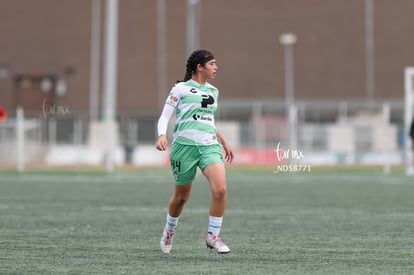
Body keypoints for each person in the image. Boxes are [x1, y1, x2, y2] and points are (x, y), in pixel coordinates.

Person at [155, 49, 234, 254]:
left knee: (221, 190)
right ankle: (169, 231)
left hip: (209, 146)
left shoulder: (214, 91)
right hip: (184, 148)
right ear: (200, 67)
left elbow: (207, 121)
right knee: (181, 197)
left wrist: (224, 141)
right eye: (212, 64)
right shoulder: (180, 89)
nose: (216, 68)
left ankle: (213, 237)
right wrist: (162, 135)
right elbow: (165, 117)